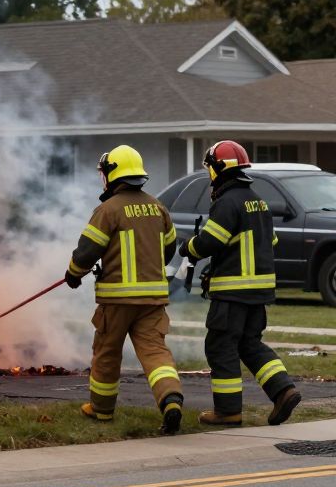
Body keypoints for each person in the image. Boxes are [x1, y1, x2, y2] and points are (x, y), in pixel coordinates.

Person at [177, 140, 301, 426]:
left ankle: (228, 411)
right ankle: (284, 390)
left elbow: (211, 241)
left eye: (209, 168)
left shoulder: (227, 202)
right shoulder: (258, 201)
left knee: (220, 346)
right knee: (249, 343)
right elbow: (270, 241)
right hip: (259, 291)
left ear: (218, 169)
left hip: (233, 293)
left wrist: (187, 248)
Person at [65, 145, 184, 434]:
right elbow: (169, 249)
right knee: (156, 353)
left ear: (112, 175)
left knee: (107, 351)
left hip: (117, 301)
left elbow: (86, 252)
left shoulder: (108, 210)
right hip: (153, 300)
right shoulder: (158, 207)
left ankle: (102, 410)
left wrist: (73, 274)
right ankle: (170, 399)